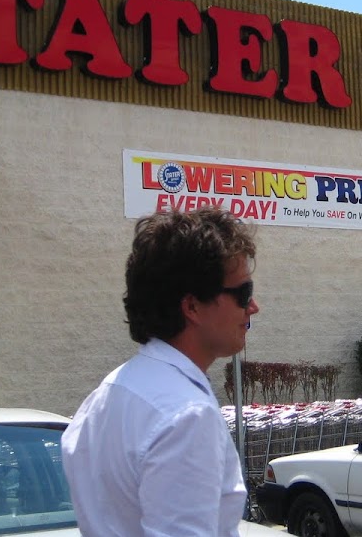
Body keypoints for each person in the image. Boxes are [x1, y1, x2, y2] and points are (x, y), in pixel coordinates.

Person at [60, 207, 259, 536]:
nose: (253, 307)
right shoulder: (186, 415)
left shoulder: (109, 392)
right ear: (192, 306)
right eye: (243, 294)